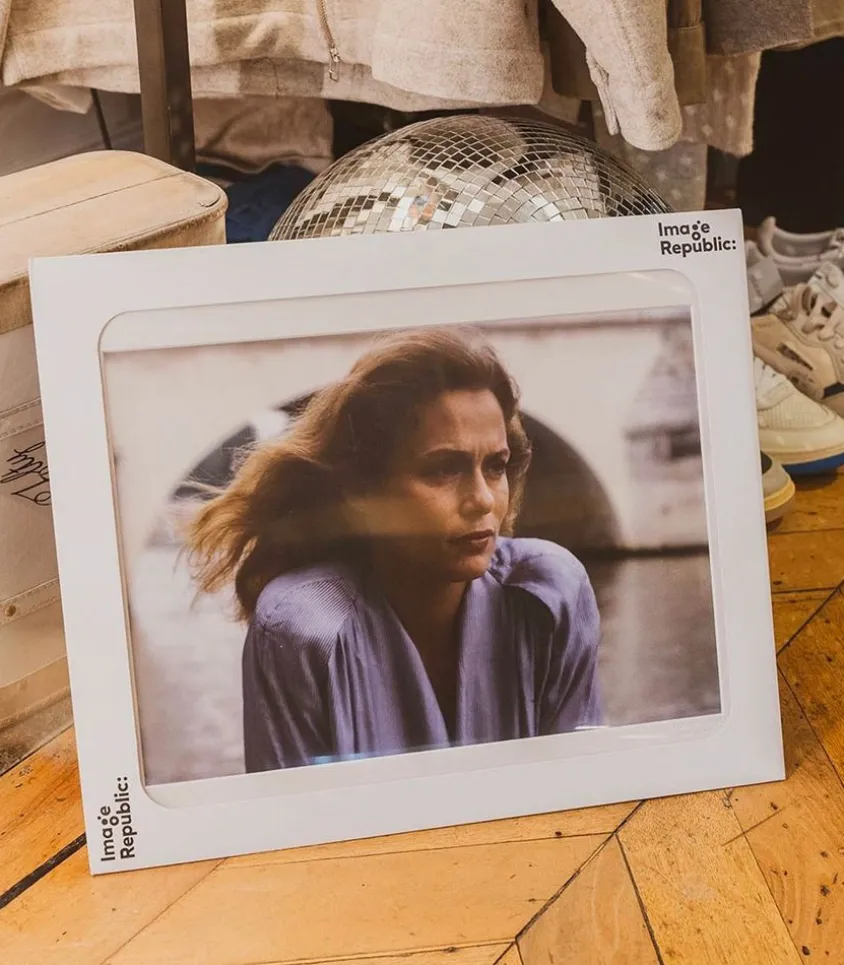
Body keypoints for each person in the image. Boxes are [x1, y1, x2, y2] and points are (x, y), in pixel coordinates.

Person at [186, 326, 602, 771]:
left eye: (496, 467)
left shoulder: (550, 595)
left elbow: (583, 783)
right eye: (443, 469)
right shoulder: (303, 628)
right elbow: (298, 812)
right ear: (362, 493)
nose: (482, 500)